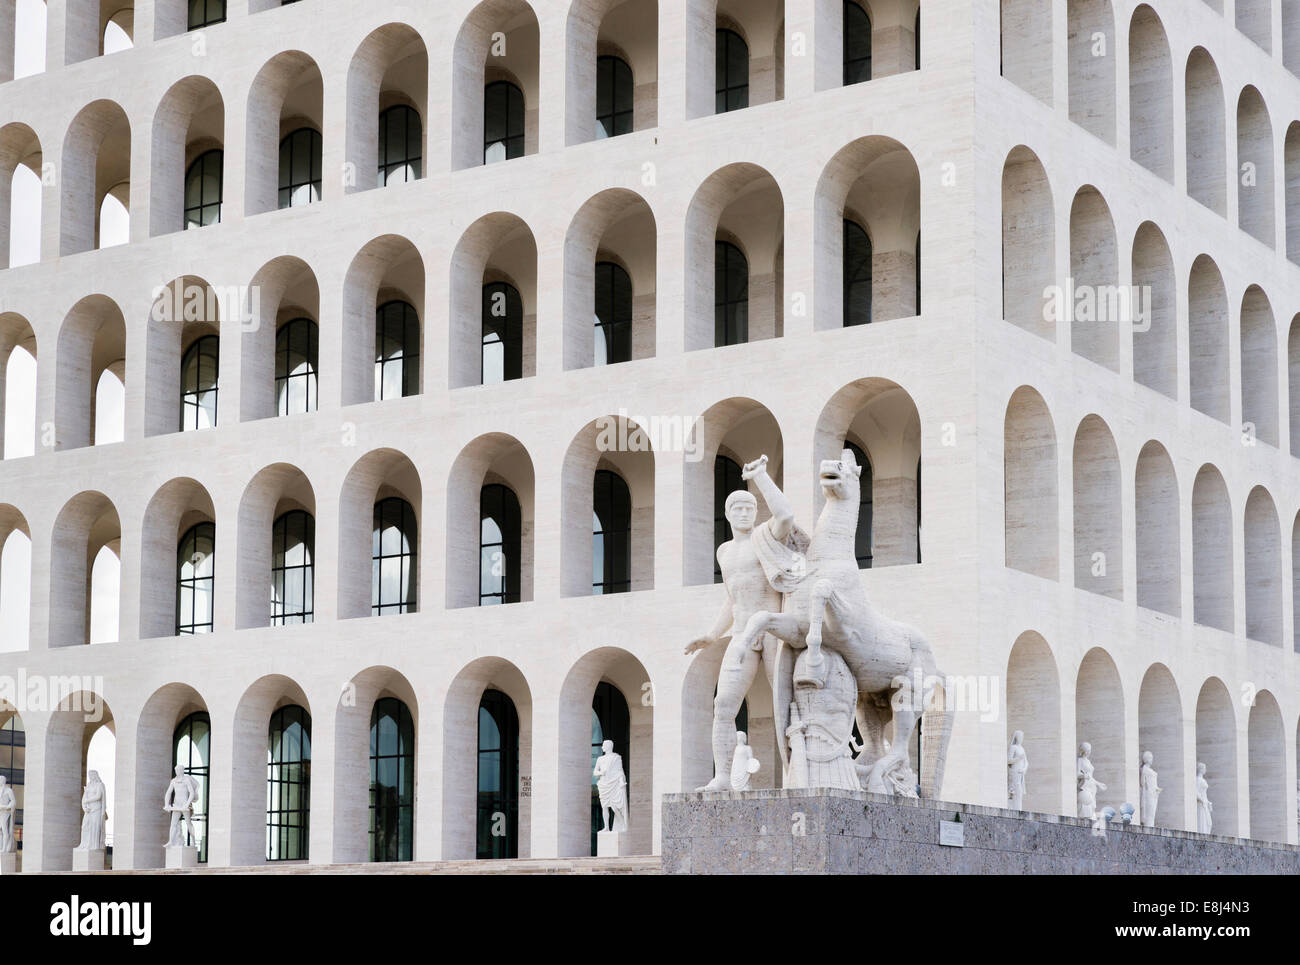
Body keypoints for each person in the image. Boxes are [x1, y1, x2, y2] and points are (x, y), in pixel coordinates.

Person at [685, 455, 807, 791]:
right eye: (737, 508)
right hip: (741, 633)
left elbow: (785, 515)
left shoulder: (765, 536)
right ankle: (724, 776)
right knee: (723, 704)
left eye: (749, 508)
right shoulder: (724, 552)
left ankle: (797, 775)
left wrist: (761, 478)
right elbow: (732, 597)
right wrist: (712, 634)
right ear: (727, 514)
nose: (744, 513)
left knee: (788, 702)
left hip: (771, 631)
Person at [592, 740, 628, 833]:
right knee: (604, 806)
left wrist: (621, 782)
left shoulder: (616, 757)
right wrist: (601, 772)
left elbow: (620, 771)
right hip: (604, 784)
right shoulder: (600, 759)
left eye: (603, 745)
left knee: (614, 806)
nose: (602, 747)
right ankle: (606, 827)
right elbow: (595, 772)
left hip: (613, 783)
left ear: (608, 746)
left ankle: (622, 824)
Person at [164, 764, 201, 848]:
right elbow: (168, 792)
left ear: (182, 770)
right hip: (177, 805)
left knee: (188, 823)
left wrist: (187, 804)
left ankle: (193, 840)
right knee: (173, 824)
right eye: (176, 770)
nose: (177, 772)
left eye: (179, 770)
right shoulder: (173, 781)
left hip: (184, 804)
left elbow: (191, 792)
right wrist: (166, 804)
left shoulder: (186, 780)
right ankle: (171, 841)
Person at [75, 771, 107, 851]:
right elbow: (84, 797)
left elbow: (98, 796)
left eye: (92, 775)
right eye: (89, 775)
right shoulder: (89, 785)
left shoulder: (100, 785)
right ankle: (84, 844)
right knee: (85, 826)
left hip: (97, 809)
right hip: (89, 810)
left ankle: (93, 845)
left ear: (95, 775)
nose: (90, 777)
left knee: (94, 827)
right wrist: (84, 807)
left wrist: (88, 800)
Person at [1139, 750, 1162, 828]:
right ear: (1147, 759)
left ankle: (1150, 825)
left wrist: (1156, 789)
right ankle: (1148, 826)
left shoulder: (1148, 769)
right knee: (1149, 811)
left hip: (1153, 793)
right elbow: (1142, 782)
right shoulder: (1145, 769)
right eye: (1151, 758)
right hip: (1149, 793)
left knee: (1152, 812)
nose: (1152, 760)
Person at [1007, 731, 1028, 810]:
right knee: (1015, 789)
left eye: (1022, 737)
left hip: (1021, 772)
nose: (1021, 739)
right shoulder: (1013, 747)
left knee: (1020, 791)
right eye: (1019, 737)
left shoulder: (1022, 748)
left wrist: (1024, 769)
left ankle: (1019, 808)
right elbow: (1009, 760)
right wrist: (1018, 758)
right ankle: (1014, 807)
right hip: (1014, 770)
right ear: (1016, 737)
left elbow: (1026, 762)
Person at [1194, 762, 1213, 834]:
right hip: (1201, 804)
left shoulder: (1203, 780)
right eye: (1204, 768)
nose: (1205, 770)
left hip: (1205, 803)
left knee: (1209, 823)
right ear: (1201, 769)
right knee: (1203, 821)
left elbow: (1204, 793)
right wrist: (1202, 800)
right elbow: (1196, 791)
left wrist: (1208, 802)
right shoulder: (1197, 779)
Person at [0, 774, 15, 853]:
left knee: (4, 829)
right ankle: (1, 846)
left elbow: (13, 801)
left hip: (5, 812)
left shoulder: (8, 790)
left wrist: (6, 807)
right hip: (0, 811)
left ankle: (5, 848)